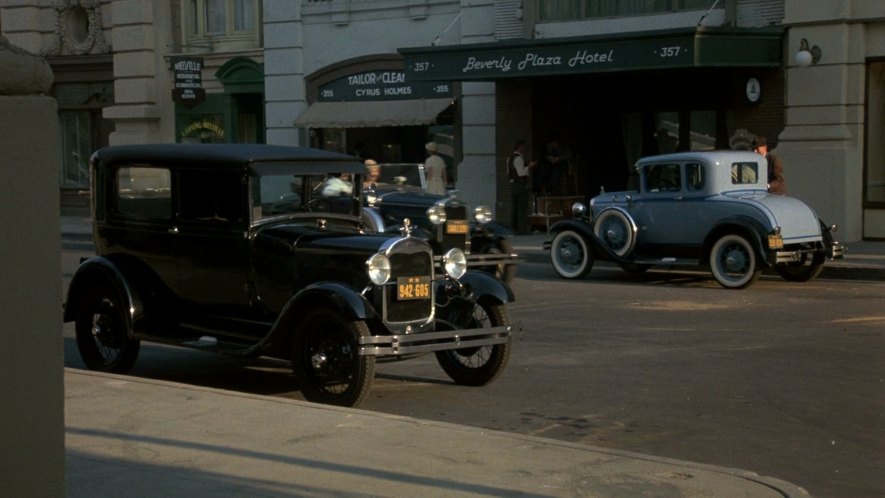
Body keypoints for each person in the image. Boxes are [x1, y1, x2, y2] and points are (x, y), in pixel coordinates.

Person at [508, 139, 537, 233]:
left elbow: (509, 172)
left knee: (514, 207)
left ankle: (513, 228)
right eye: (523, 147)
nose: (524, 149)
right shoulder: (519, 158)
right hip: (520, 184)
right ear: (520, 147)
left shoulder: (509, 158)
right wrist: (529, 167)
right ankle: (522, 229)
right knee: (521, 207)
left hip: (512, 184)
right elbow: (520, 173)